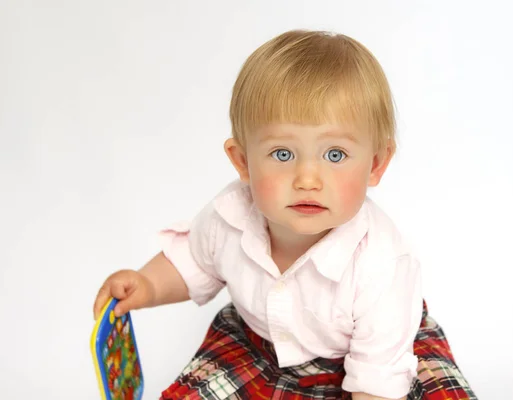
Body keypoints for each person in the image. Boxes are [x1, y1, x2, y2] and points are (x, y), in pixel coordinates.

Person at [93, 29, 477, 400]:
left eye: (335, 155)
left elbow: (378, 380)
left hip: (378, 361)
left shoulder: (383, 264)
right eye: (282, 154)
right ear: (243, 162)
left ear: (375, 165)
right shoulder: (230, 215)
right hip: (260, 345)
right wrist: (146, 285)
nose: (307, 179)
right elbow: (193, 260)